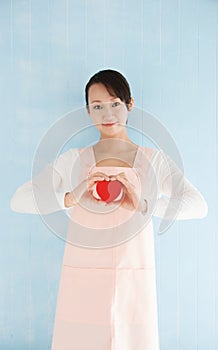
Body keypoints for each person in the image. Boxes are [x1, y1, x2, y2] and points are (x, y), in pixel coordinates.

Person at [10, 69, 208, 350]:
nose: (107, 114)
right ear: (88, 112)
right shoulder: (73, 161)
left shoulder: (154, 162)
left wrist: (145, 205)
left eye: (115, 103)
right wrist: (70, 197)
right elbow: (19, 199)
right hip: (83, 281)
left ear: (130, 105)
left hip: (132, 280)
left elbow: (198, 205)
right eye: (97, 107)